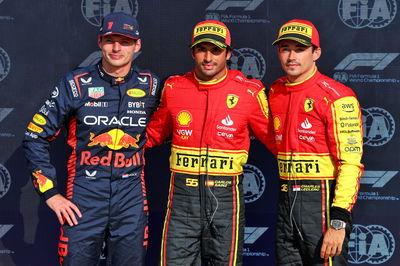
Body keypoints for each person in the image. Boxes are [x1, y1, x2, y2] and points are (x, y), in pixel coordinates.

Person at [22, 12, 160, 265]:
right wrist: (50, 193)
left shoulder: (151, 86)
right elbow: (34, 137)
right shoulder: (75, 84)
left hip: (131, 199)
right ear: (100, 42)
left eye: (125, 41)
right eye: (110, 40)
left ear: (137, 45)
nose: (116, 48)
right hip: (84, 197)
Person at [145, 20, 276, 265]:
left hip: (225, 199)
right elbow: (153, 135)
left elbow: (276, 141)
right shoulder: (174, 87)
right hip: (182, 198)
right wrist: (113, 142)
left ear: (228, 54)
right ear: (192, 51)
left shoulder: (249, 92)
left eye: (216, 50)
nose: (208, 57)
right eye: (202, 49)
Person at [268, 19, 364, 265]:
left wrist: (339, 222)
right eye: (285, 48)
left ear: (316, 52)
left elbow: (351, 163)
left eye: (299, 49)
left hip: (322, 205)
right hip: (285, 203)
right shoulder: (275, 92)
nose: (291, 56)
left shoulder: (338, 97)